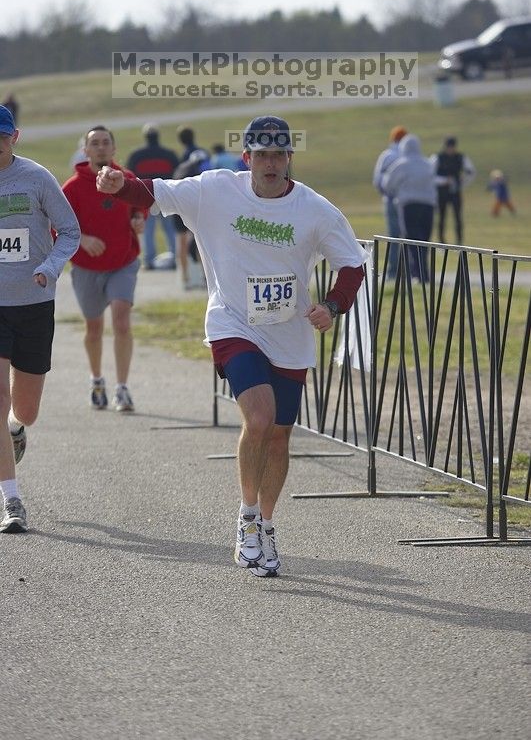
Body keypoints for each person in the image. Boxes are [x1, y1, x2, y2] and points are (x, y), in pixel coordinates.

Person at [96, 115, 368, 578]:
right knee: (258, 417)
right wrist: (120, 184)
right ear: (247, 158)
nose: (269, 163)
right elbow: (156, 193)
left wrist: (333, 306)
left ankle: (266, 523)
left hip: (289, 333)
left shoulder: (315, 209)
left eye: (278, 155)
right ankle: (245, 519)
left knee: (280, 434)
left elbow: (352, 265)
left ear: (289, 160)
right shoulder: (215, 190)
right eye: (260, 155)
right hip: (233, 324)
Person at [0, 105, 80, 533]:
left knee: (24, 410)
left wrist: (49, 268)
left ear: (16, 137)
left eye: (2, 137)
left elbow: (70, 230)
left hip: (33, 303)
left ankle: (16, 430)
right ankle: (12, 501)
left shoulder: (36, 177)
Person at [62, 125, 146, 413]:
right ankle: (97, 380)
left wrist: (139, 219)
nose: (100, 147)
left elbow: (141, 204)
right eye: (94, 143)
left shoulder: (126, 179)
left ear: (113, 149)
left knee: (121, 321)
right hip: (87, 267)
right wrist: (82, 239)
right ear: (85, 151)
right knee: (94, 328)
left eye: (105, 142)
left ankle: (122, 388)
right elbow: (57, 226)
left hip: (123, 262)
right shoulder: (72, 187)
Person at [382, 134, 437, 283]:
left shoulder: (401, 164)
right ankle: (424, 274)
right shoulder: (427, 164)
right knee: (425, 241)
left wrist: (397, 193)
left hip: (409, 205)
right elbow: (434, 183)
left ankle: (417, 274)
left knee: (412, 240)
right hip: (428, 206)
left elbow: (388, 184)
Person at [126, 124, 179, 270]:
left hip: (146, 198)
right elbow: (178, 174)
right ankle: (176, 258)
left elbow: (130, 176)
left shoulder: (136, 155)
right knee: (170, 229)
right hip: (166, 195)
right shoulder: (169, 154)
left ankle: (149, 261)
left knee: (148, 230)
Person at [173, 127, 211, 289]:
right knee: (200, 239)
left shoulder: (183, 159)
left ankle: (185, 278)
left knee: (181, 240)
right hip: (199, 202)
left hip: (179, 200)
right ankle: (204, 277)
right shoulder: (204, 154)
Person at [372, 125, 408, 279]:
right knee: (408, 236)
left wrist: (386, 193)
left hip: (391, 199)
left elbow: (377, 180)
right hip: (407, 201)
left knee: (393, 236)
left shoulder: (387, 155)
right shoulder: (408, 155)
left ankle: (393, 272)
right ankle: (408, 271)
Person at [431, 137, 475, 245]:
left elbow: (471, 172)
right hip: (442, 192)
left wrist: (462, 183)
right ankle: (441, 241)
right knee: (441, 217)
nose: (451, 149)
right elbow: (429, 175)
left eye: (452, 147)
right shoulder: (437, 158)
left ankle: (459, 242)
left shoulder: (461, 157)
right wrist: (443, 181)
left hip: (455, 191)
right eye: (449, 147)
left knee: (458, 217)